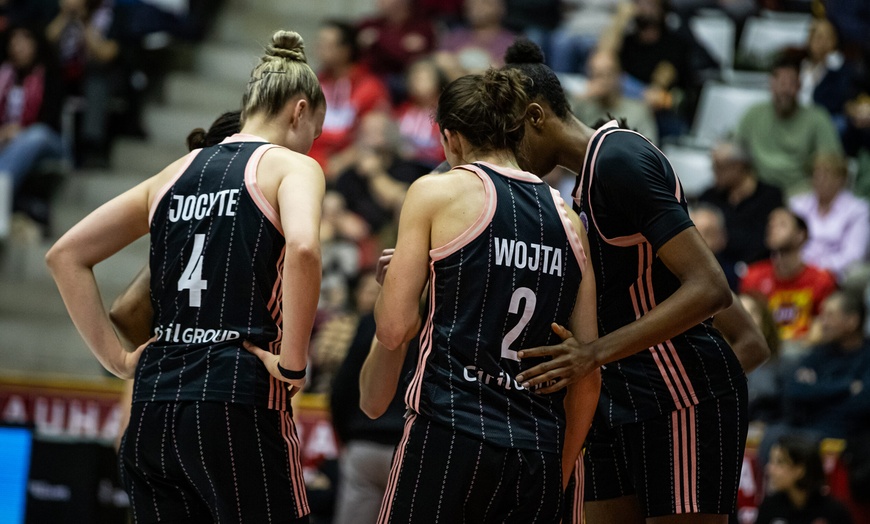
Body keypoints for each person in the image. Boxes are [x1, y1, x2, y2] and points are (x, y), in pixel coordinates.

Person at [46, 30, 326, 523]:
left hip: (154, 402)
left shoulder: (174, 172)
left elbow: (65, 255)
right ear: (299, 111)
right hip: (234, 395)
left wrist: (116, 361)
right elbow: (304, 248)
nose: (311, 146)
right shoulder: (290, 167)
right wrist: (295, 364)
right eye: (315, 135)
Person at [501, 39, 751, 524]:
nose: (510, 157)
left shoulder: (618, 159)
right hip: (620, 397)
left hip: (679, 395)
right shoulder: (585, 185)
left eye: (511, 140)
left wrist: (593, 352)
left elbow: (711, 287)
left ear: (536, 116)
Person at [360, 68, 601, 523]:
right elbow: (588, 372)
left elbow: (393, 330)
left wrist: (394, 290)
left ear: (451, 138)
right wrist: (561, 467)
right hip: (536, 449)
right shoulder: (570, 220)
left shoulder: (438, 192)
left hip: (450, 432)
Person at [735, 54, 844, 194]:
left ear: (800, 85)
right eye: (781, 83)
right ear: (771, 84)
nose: (785, 90)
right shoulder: (753, 114)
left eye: (791, 84)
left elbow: (834, 163)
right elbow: (735, 153)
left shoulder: (818, 118)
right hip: (758, 191)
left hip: (802, 193)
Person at [739, 207, 838, 346]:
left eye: (782, 224)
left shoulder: (821, 279)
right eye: (770, 225)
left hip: (805, 349)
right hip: (766, 350)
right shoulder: (753, 276)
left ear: (800, 235)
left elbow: (826, 324)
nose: (772, 228)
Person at [698, 138, 784, 288]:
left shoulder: (770, 196)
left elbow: (766, 240)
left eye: (718, 167)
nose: (713, 172)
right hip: (716, 269)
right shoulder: (709, 196)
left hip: (758, 271)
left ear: (738, 166)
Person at [789, 152, 870, 283]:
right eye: (816, 174)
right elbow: (789, 244)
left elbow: (854, 256)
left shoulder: (858, 210)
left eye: (826, 174)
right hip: (798, 274)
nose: (819, 179)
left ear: (842, 179)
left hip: (838, 277)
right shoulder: (798, 205)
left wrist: (816, 269)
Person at [756, 434, 854, 524]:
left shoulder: (833, 512)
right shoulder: (770, 506)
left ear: (800, 470)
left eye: (779, 462)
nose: (769, 469)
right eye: (771, 461)